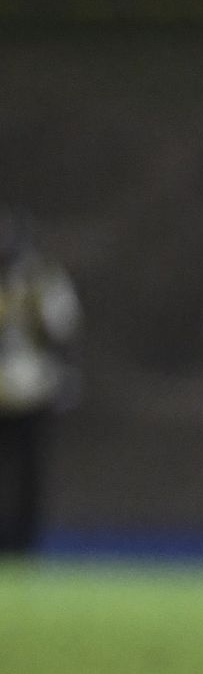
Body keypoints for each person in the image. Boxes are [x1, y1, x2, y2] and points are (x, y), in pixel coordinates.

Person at [0, 209, 82, 554]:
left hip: (32, 387)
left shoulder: (40, 280)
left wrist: (65, 375)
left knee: (29, 471)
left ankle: (23, 541)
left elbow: (64, 328)